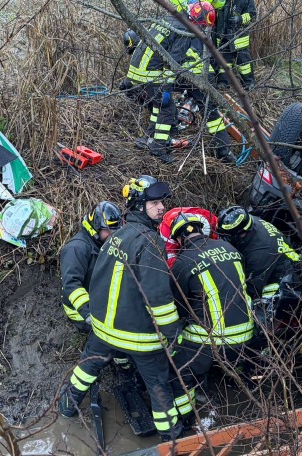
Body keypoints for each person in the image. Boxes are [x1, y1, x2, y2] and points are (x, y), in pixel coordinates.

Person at [58, 176, 184, 441]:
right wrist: (172, 333)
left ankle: (66, 409)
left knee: (87, 368)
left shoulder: (118, 237)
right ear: (140, 204)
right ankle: (172, 441)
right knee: (159, 388)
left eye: (162, 202)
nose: (162, 208)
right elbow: (158, 296)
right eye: (156, 202)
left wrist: (98, 318)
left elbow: (99, 281)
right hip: (139, 338)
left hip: (104, 331)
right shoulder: (150, 242)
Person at [167, 211, 254, 422]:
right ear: (202, 230)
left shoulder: (182, 263)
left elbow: (179, 306)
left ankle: (188, 419)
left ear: (178, 240)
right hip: (247, 336)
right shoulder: (230, 248)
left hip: (211, 340)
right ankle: (242, 389)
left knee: (178, 376)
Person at [123, 1, 232, 164]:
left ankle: (147, 139)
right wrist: (166, 88)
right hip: (151, 76)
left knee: (157, 105)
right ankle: (158, 148)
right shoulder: (185, 31)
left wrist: (128, 80)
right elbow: (172, 62)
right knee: (167, 109)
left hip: (136, 72)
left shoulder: (169, 20)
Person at [60, 201, 123, 333]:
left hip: (100, 302)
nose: (113, 236)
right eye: (107, 231)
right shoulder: (76, 249)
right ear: (95, 229)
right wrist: (88, 313)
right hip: (81, 313)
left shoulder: (101, 242)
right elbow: (71, 284)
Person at [216, 206, 302, 301]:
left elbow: (250, 289)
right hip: (279, 258)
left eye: (227, 236)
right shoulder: (249, 221)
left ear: (241, 234)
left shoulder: (258, 255)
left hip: (285, 279)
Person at [214, 0, 258, 90]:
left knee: (244, 63)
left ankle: (248, 83)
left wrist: (240, 19)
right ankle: (223, 82)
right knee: (224, 61)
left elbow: (252, 15)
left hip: (239, 36)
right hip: (223, 35)